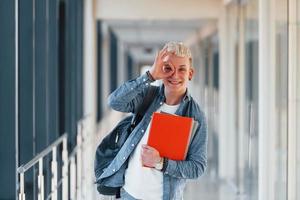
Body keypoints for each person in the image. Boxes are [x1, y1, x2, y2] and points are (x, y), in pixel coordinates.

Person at [106, 41, 207, 200]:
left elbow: (197, 167)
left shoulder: (195, 115)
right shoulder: (147, 96)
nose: (175, 75)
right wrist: (150, 75)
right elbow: (114, 102)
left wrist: (161, 162)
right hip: (127, 193)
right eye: (168, 69)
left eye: (182, 69)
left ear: (190, 73)